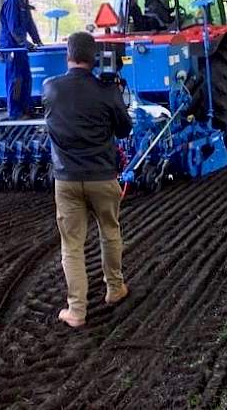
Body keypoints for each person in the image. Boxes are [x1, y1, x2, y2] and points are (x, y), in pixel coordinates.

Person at [43, 31, 133, 328]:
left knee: (72, 245)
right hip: (102, 178)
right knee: (109, 231)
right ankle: (115, 288)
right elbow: (124, 131)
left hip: (66, 180)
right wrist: (115, 94)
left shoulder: (50, 88)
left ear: (67, 55)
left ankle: (77, 311)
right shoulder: (107, 91)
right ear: (95, 58)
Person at [0, 0, 42, 119]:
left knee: (26, 77)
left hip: (20, 46)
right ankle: (15, 113)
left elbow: (29, 23)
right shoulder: (12, 0)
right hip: (12, 46)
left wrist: (37, 40)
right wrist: (25, 43)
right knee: (16, 79)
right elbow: (13, 27)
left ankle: (26, 108)